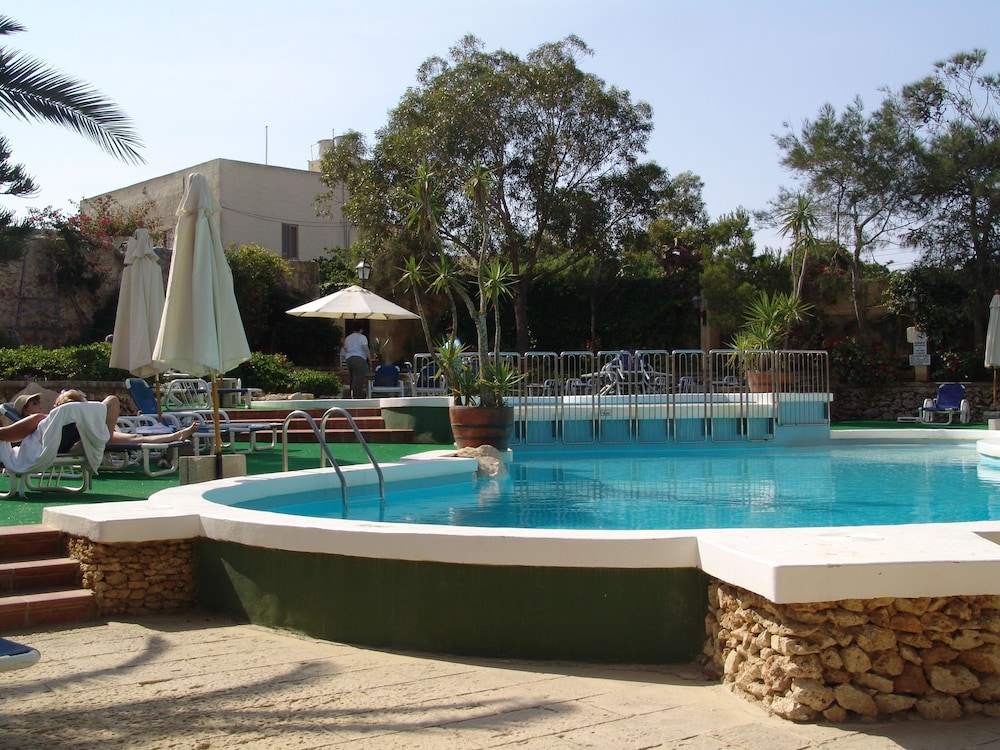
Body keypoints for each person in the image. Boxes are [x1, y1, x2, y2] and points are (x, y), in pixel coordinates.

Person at [12, 391, 198, 451]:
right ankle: (175, 436)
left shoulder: (48, 417)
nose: (39, 404)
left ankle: (176, 435)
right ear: (25, 409)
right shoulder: (32, 421)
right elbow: (29, 441)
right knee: (130, 434)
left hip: (82, 435)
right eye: (34, 403)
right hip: (74, 442)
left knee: (135, 437)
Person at [342, 322, 372, 399]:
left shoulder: (348, 338)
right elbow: (366, 349)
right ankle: (357, 396)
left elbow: (345, 349)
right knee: (359, 378)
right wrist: (370, 360)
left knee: (352, 377)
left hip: (349, 358)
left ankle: (350, 394)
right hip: (359, 358)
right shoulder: (362, 337)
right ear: (361, 329)